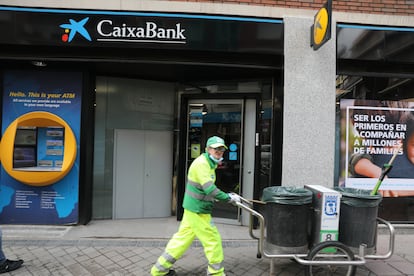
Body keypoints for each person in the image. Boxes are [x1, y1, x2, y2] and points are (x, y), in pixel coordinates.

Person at [150, 136, 241, 276]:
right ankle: (216, 273)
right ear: (208, 149)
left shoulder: (210, 163)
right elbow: (210, 189)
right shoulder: (202, 164)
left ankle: (159, 270)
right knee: (213, 241)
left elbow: (203, 188)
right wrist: (228, 198)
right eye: (216, 149)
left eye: (222, 149)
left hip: (193, 209)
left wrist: (220, 197)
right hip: (198, 211)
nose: (219, 151)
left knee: (181, 240)